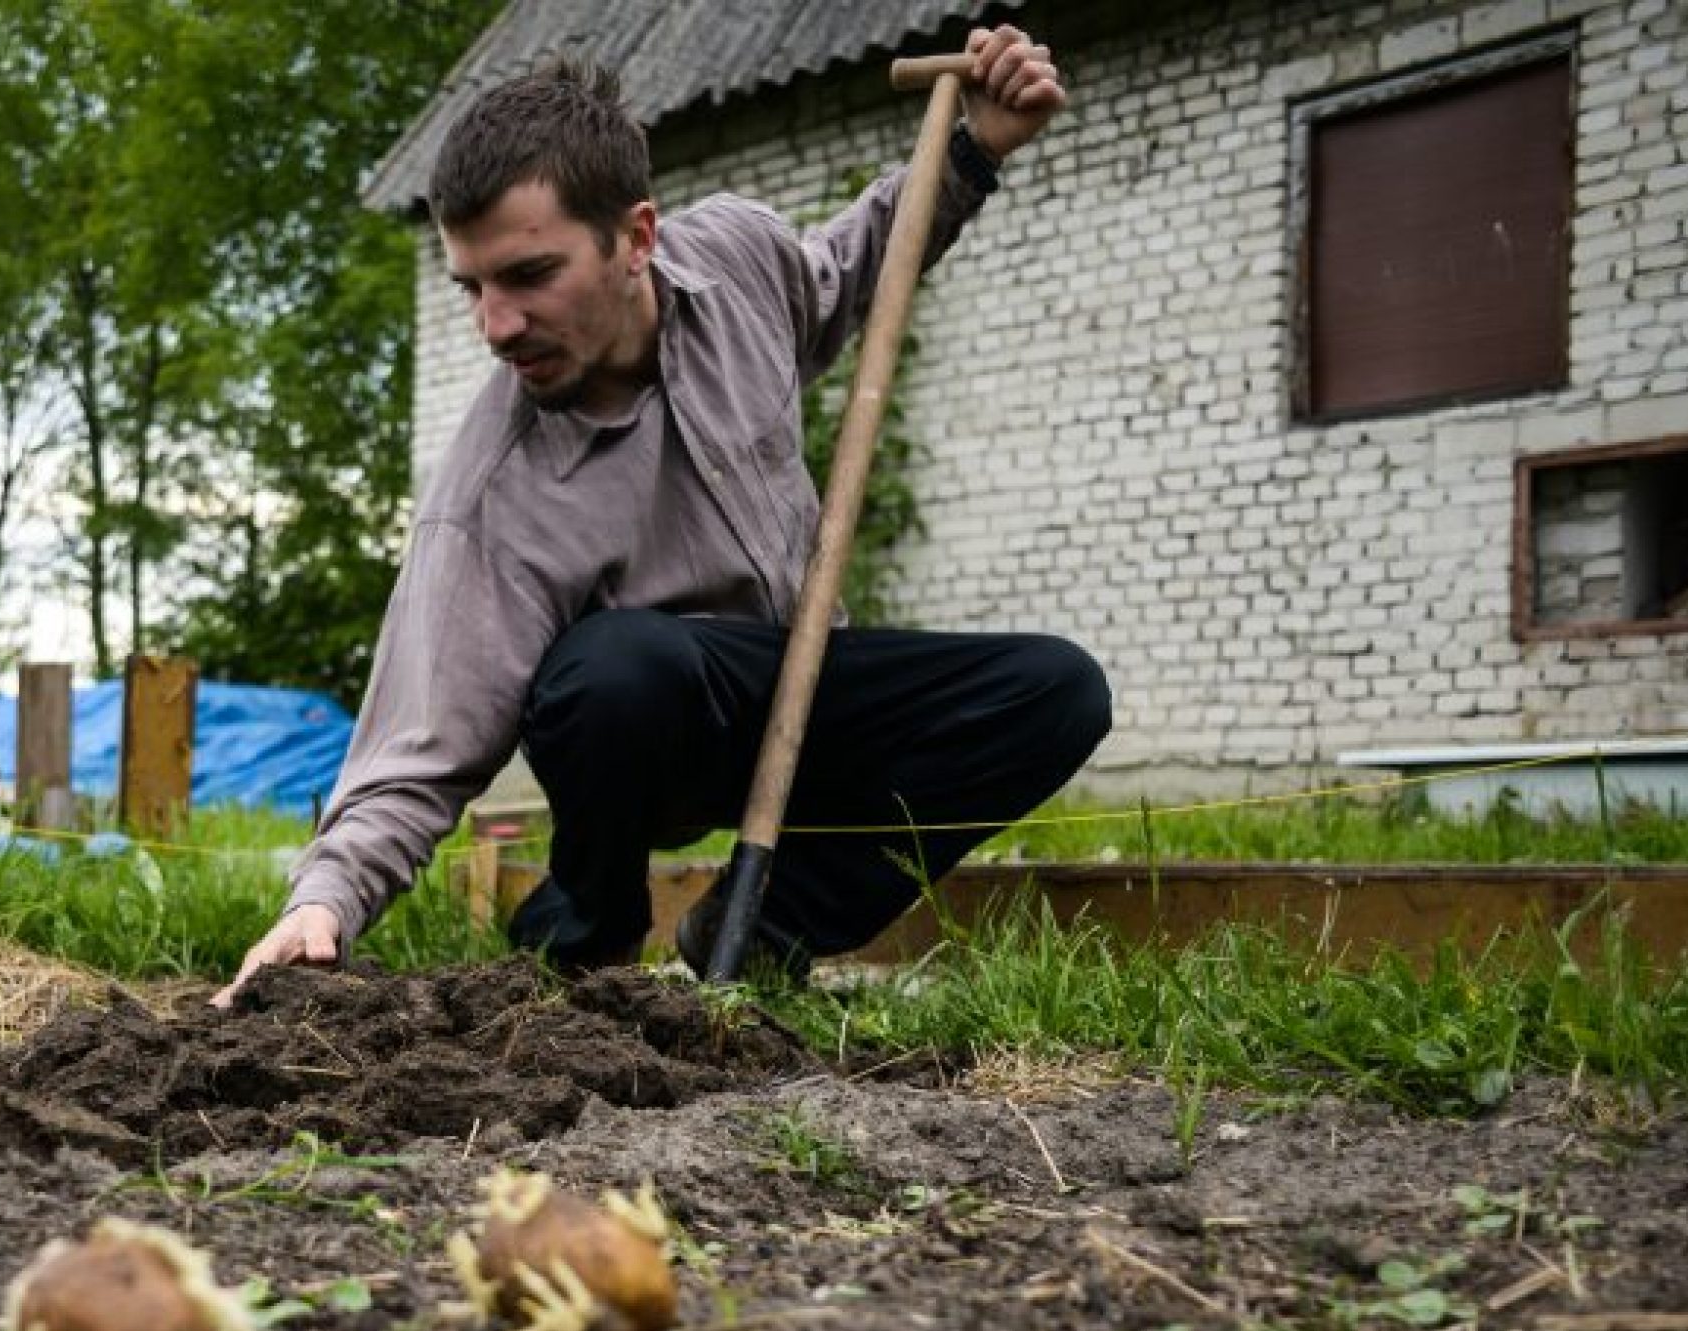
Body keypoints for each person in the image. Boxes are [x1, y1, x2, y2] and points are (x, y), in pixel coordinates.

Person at [214, 23, 1107, 1005]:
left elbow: (861, 265)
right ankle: (585, 945)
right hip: (653, 734)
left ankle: (765, 925)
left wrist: (974, 144)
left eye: (528, 275)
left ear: (638, 238)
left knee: (1054, 690)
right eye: (471, 286)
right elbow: (419, 739)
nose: (495, 326)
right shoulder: (494, 492)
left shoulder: (738, 264)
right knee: (618, 667)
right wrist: (323, 902)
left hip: (799, 681)